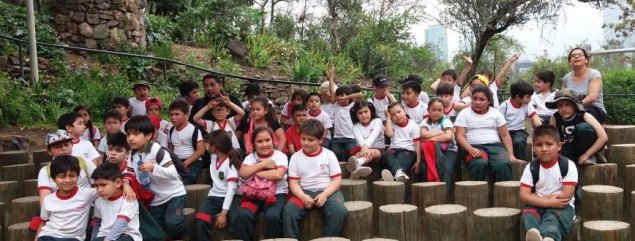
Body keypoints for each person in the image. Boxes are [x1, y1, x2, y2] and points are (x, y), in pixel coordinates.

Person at [282, 119, 347, 238]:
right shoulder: (296, 157)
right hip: (304, 191)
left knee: (338, 211)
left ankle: (329, 238)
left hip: (328, 191)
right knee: (289, 212)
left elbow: (337, 180)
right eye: (303, 139)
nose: (306, 143)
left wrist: (325, 194)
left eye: (310, 140)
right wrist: (302, 196)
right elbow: (293, 182)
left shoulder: (329, 155)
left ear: (321, 140)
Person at [125, 115, 187, 239]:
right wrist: (126, 184)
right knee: (154, 230)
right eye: (128, 134)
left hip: (173, 194)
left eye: (135, 134)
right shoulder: (133, 153)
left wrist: (154, 168)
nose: (130, 138)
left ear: (148, 135)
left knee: (172, 223)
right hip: (154, 199)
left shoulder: (157, 151)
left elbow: (173, 174)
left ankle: (184, 235)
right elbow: (129, 172)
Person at [520, 125, 578, 241]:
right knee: (528, 216)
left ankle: (547, 237)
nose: (544, 149)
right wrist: (548, 201)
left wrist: (538, 198)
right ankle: (538, 238)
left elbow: (566, 196)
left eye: (549, 144)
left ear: (559, 146)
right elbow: (523, 195)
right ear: (534, 148)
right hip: (538, 205)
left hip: (562, 206)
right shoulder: (531, 167)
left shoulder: (568, 166)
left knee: (551, 218)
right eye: (539, 145)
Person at [234, 127, 289, 241]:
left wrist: (254, 170)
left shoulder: (280, 156)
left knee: (272, 216)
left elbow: (278, 175)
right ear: (253, 143)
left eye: (267, 140)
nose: (264, 144)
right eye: (259, 141)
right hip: (253, 193)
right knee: (243, 215)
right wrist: (264, 164)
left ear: (273, 140)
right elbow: (243, 173)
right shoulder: (250, 157)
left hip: (277, 194)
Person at [455, 85, 515, 182]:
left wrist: (511, 155)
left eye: (482, 99)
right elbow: (459, 136)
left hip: (495, 146)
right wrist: (470, 149)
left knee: (502, 164)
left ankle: (503, 195)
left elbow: (505, 135)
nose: (477, 102)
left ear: (489, 101)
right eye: (474, 99)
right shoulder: (464, 113)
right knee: (479, 163)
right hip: (473, 146)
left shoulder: (495, 113)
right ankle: (477, 195)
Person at [35, 155, 100, 241]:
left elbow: (108, 187)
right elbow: (44, 223)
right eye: (62, 176)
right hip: (48, 236)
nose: (67, 180)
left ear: (78, 176)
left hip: (73, 238)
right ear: (53, 179)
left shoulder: (87, 194)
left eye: (72, 176)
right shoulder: (48, 200)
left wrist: (124, 184)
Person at [194, 130, 241, 241]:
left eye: (208, 143)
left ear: (215, 146)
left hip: (232, 197)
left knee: (236, 219)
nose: (206, 146)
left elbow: (231, 189)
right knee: (201, 220)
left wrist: (223, 213)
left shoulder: (230, 162)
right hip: (214, 197)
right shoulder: (214, 158)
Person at [547, 89, 608, 165]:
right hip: (569, 147)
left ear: (575, 106)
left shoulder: (585, 115)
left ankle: (591, 155)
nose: (564, 109)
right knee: (559, 162)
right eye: (560, 105)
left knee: (583, 128)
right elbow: (551, 138)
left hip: (587, 145)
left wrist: (587, 154)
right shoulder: (555, 117)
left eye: (567, 104)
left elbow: (603, 137)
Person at [37, 130, 97, 206]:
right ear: (49, 151)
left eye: (66, 144)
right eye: (58, 146)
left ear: (72, 145)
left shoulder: (85, 163)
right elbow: (45, 197)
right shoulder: (45, 171)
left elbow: (98, 186)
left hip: (88, 208)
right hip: (60, 210)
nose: (64, 148)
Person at [91, 162, 142, 241]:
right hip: (103, 235)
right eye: (96, 186)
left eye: (103, 185)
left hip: (126, 235)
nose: (99, 190)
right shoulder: (98, 200)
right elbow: (98, 222)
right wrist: (94, 238)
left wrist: (108, 239)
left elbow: (121, 223)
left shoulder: (128, 198)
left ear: (118, 183)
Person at [105, 132, 155, 206]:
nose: (113, 153)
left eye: (118, 150)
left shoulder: (133, 168)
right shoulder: (104, 168)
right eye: (110, 149)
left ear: (128, 153)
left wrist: (126, 183)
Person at [499, 80, 542, 161]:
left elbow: (535, 118)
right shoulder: (504, 106)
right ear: (518, 97)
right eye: (528, 97)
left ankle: (520, 164)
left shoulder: (526, 105)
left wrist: (541, 129)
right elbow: (498, 123)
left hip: (519, 131)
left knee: (518, 141)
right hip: (505, 132)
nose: (530, 99)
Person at [420, 98, 457, 191]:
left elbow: (448, 136)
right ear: (428, 110)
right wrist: (440, 133)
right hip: (432, 150)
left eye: (439, 110)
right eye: (433, 110)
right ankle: (429, 192)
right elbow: (424, 134)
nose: (436, 112)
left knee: (447, 168)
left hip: (449, 150)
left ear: (443, 110)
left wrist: (430, 139)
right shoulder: (425, 121)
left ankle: (444, 194)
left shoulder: (446, 121)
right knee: (425, 167)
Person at [563, 47, 607, 123]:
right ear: (570, 61)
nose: (576, 57)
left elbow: (592, 97)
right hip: (573, 110)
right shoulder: (566, 78)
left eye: (580, 55)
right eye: (573, 56)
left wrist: (575, 107)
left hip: (595, 110)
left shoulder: (594, 74)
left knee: (579, 117)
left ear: (586, 60)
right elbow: (564, 96)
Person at [167, 100, 205, 184]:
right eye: (171, 114)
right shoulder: (171, 130)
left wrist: (185, 163)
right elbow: (171, 149)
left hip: (193, 162)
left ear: (186, 115)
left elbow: (201, 150)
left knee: (182, 182)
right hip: (177, 162)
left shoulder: (193, 130)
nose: (173, 117)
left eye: (177, 114)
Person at [382, 102, 421, 182]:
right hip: (393, 149)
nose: (397, 115)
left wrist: (418, 161)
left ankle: (393, 175)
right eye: (393, 115)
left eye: (399, 112)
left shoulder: (413, 125)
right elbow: (389, 134)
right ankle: (399, 173)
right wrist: (388, 118)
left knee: (402, 156)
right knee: (387, 154)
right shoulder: (391, 124)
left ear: (404, 111)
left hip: (408, 150)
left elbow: (417, 145)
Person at [348, 101, 384, 179]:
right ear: (356, 115)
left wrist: (365, 147)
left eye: (366, 111)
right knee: (357, 155)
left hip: (378, 149)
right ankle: (357, 169)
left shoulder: (377, 121)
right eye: (360, 113)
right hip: (361, 149)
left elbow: (374, 135)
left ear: (371, 111)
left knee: (371, 153)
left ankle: (357, 164)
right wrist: (364, 148)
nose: (364, 115)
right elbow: (359, 139)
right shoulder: (355, 126)